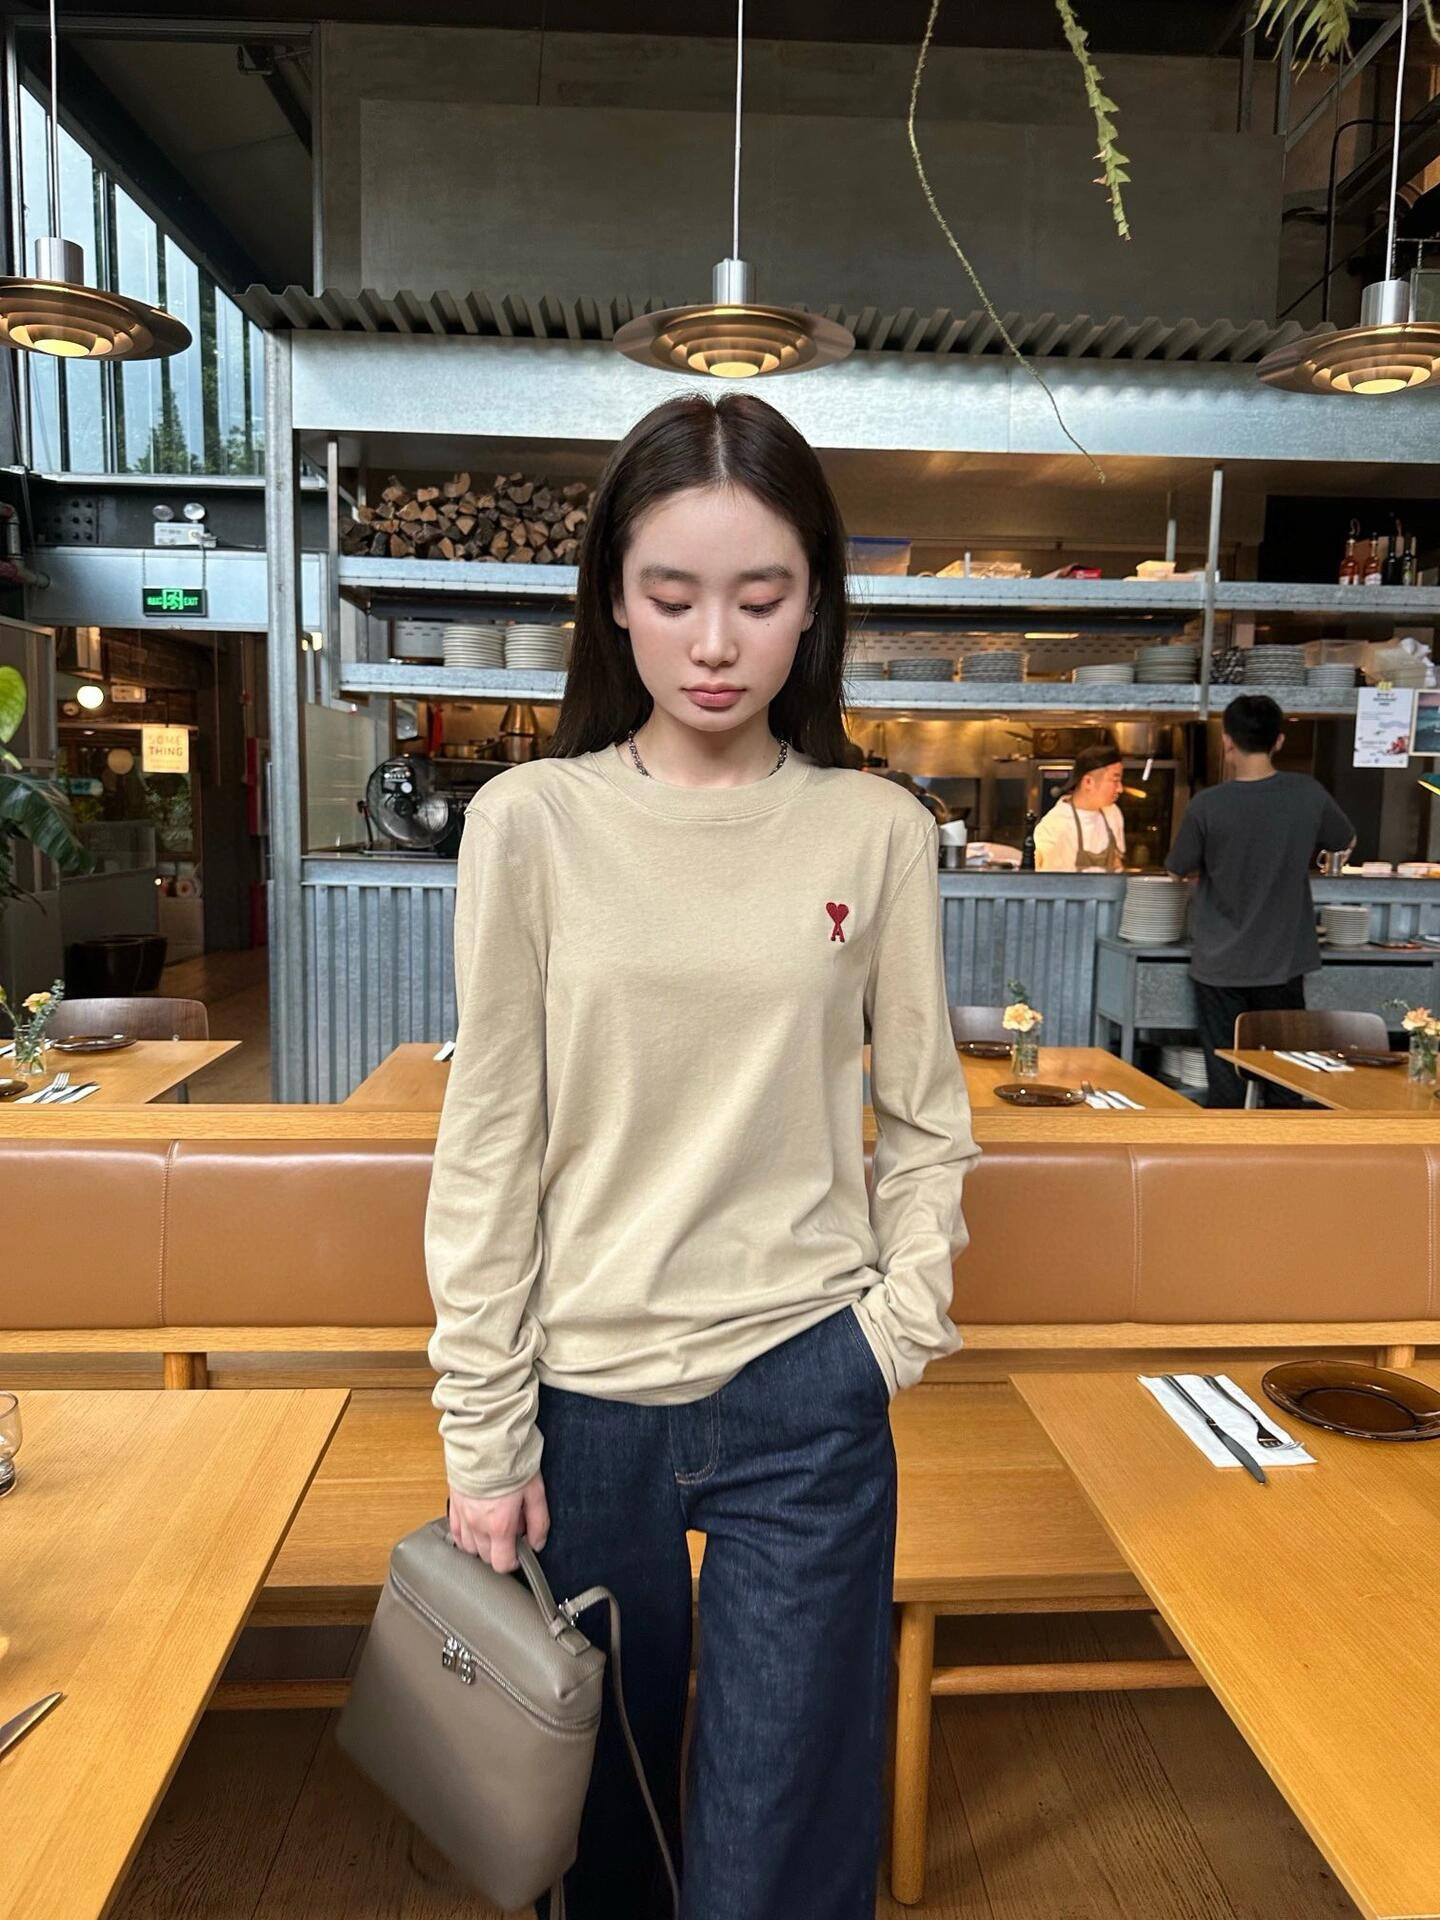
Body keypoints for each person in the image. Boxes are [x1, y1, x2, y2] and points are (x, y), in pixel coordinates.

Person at [425, 390, 979, 1920]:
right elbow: (491, 1141)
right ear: (614, 598)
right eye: (672, 596)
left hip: (807, 1389)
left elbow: (927, 1118)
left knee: (768, 1866)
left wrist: (896, 1329)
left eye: (761, 596)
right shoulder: (530, 822)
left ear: (816, 603)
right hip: (580, 1398)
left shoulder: (875, 830)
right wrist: (485, 1432)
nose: (716, 642)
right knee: (605, 1847)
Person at [1166, 693, 1355, 1108]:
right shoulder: (1308, 793)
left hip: (1220, 966)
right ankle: (1284, 1150)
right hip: (1283, 963)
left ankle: (1230, 1149)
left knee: (1227, 1085)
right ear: (1279, 741)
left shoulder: (1207, 804)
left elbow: (1177, 869)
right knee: (1286, 1078)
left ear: (1227, 740)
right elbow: (1344, 840)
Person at [1032, 743, 1126, 871]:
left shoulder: (1113, 813)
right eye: (1115, 780)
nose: (1120, 789)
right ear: (1088, 782)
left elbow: (1117, 865)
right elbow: (1047, 879)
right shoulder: (1053, 827)